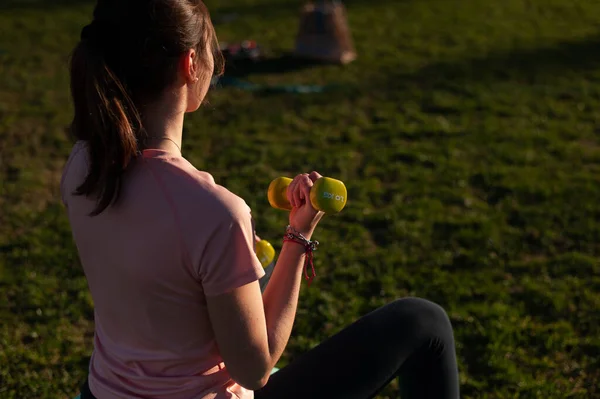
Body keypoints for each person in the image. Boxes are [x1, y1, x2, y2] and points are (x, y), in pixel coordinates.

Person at [61, 1, 461, 398]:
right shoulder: (213, 212)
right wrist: (298, 236)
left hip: (105, 392)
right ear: (189, 64)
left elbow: (159, 279)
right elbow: (255, 368)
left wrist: (228, 260)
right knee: (424, 323)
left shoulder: (83, 165)